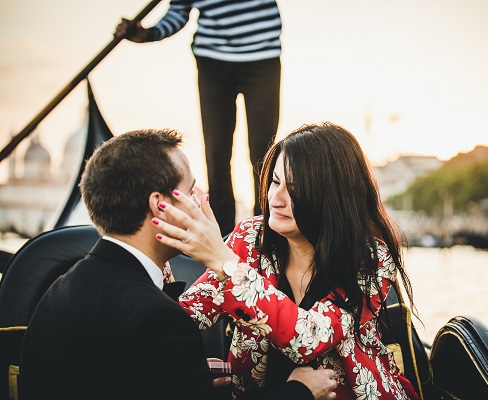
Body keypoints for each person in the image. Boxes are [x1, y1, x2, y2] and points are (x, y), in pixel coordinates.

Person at [18, 128, 337, 400]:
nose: (202, 199)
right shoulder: (158, 318)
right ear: (160, 206)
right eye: (189, 190)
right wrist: (299, 392)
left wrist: (185, 375)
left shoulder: (59, 289)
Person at [152, 122, 421, 399]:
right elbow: (184, 317)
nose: (275, 199)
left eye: (294, 189)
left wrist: (225, 264)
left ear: (331, 197)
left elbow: (309, 339)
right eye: (275, 182)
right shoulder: (249, 237)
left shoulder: (371, 258)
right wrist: (158, 252)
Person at [115, 0, 282, 236]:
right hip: (213, 61)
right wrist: (148, 34)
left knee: (263, 153)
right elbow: (178, 11)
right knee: (216, 151)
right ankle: (223, 236)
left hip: (263, 56)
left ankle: (264, 230)